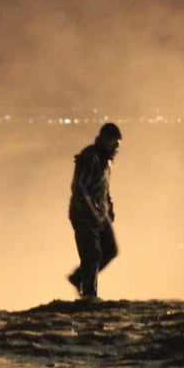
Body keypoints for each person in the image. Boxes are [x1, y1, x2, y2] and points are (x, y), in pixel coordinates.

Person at [67, 122, 122, 300]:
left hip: (100, 213)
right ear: (104, 139)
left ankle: (78, 278)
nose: (116, 147)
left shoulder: (106, 160)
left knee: (110, 250)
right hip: (83, 213)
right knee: (92, 254)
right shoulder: (90, 156)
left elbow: (104, 188)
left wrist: (109, 208)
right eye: (114, 143)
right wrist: (90, 210)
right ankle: (89, 294)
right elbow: (79, 186)